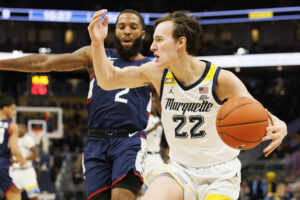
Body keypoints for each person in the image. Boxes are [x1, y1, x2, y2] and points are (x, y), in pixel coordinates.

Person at [88, 9, 288, 200]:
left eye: (159, 40)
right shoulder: (157, 73)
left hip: (220, 174)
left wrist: (281, 125)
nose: (152, 47)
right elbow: (108, 80)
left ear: (180, 42)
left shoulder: (221, 80)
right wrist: (97, 43)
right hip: (180, 170)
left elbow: (255, 111)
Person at [0, 9, 152, 200]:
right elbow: (45, 62)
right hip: (96, 141)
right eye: (121, 27)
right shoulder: (96, 55)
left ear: (143, 34)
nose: (126, 31)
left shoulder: (152, 67)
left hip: (129, 140)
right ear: (115, 31)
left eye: (133, 27)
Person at [0, 95, 26, 200]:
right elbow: (14, 149)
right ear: (5, 108)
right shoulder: (12, 125)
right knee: (14, 194)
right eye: (12, 109)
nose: (14, 112)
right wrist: (22, 159)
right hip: (2, 163)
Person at [9, 123, 40, 200]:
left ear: (25, 130)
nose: (19, 129)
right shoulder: (12, 139)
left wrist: (22, 160)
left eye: (22, 128)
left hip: (27, 171)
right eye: (18, 127)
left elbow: (36, 155)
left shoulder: (28, 139)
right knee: (13, 196)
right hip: (15, 171)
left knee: (33, 196)